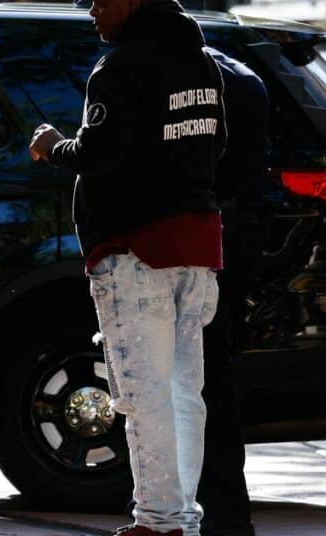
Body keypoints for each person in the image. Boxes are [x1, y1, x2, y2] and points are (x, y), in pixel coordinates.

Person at [29, 0, 226, 535]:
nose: (92, 9)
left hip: (136, 251)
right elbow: (218, 144)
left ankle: (159, 523)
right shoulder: (201, 61)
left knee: (144, 395)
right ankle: (180, 519)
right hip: (196, 246)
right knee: (184, 391)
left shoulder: (120, 65)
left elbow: (98, 153)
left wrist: (53, 145)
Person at [197, 48, 268, 536]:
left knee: (189, 385)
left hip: (191, 241)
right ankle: (223, 515)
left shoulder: (151, 67)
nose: (96, 13)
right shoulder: (239, 72)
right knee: (212, 381)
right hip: (235, 230)